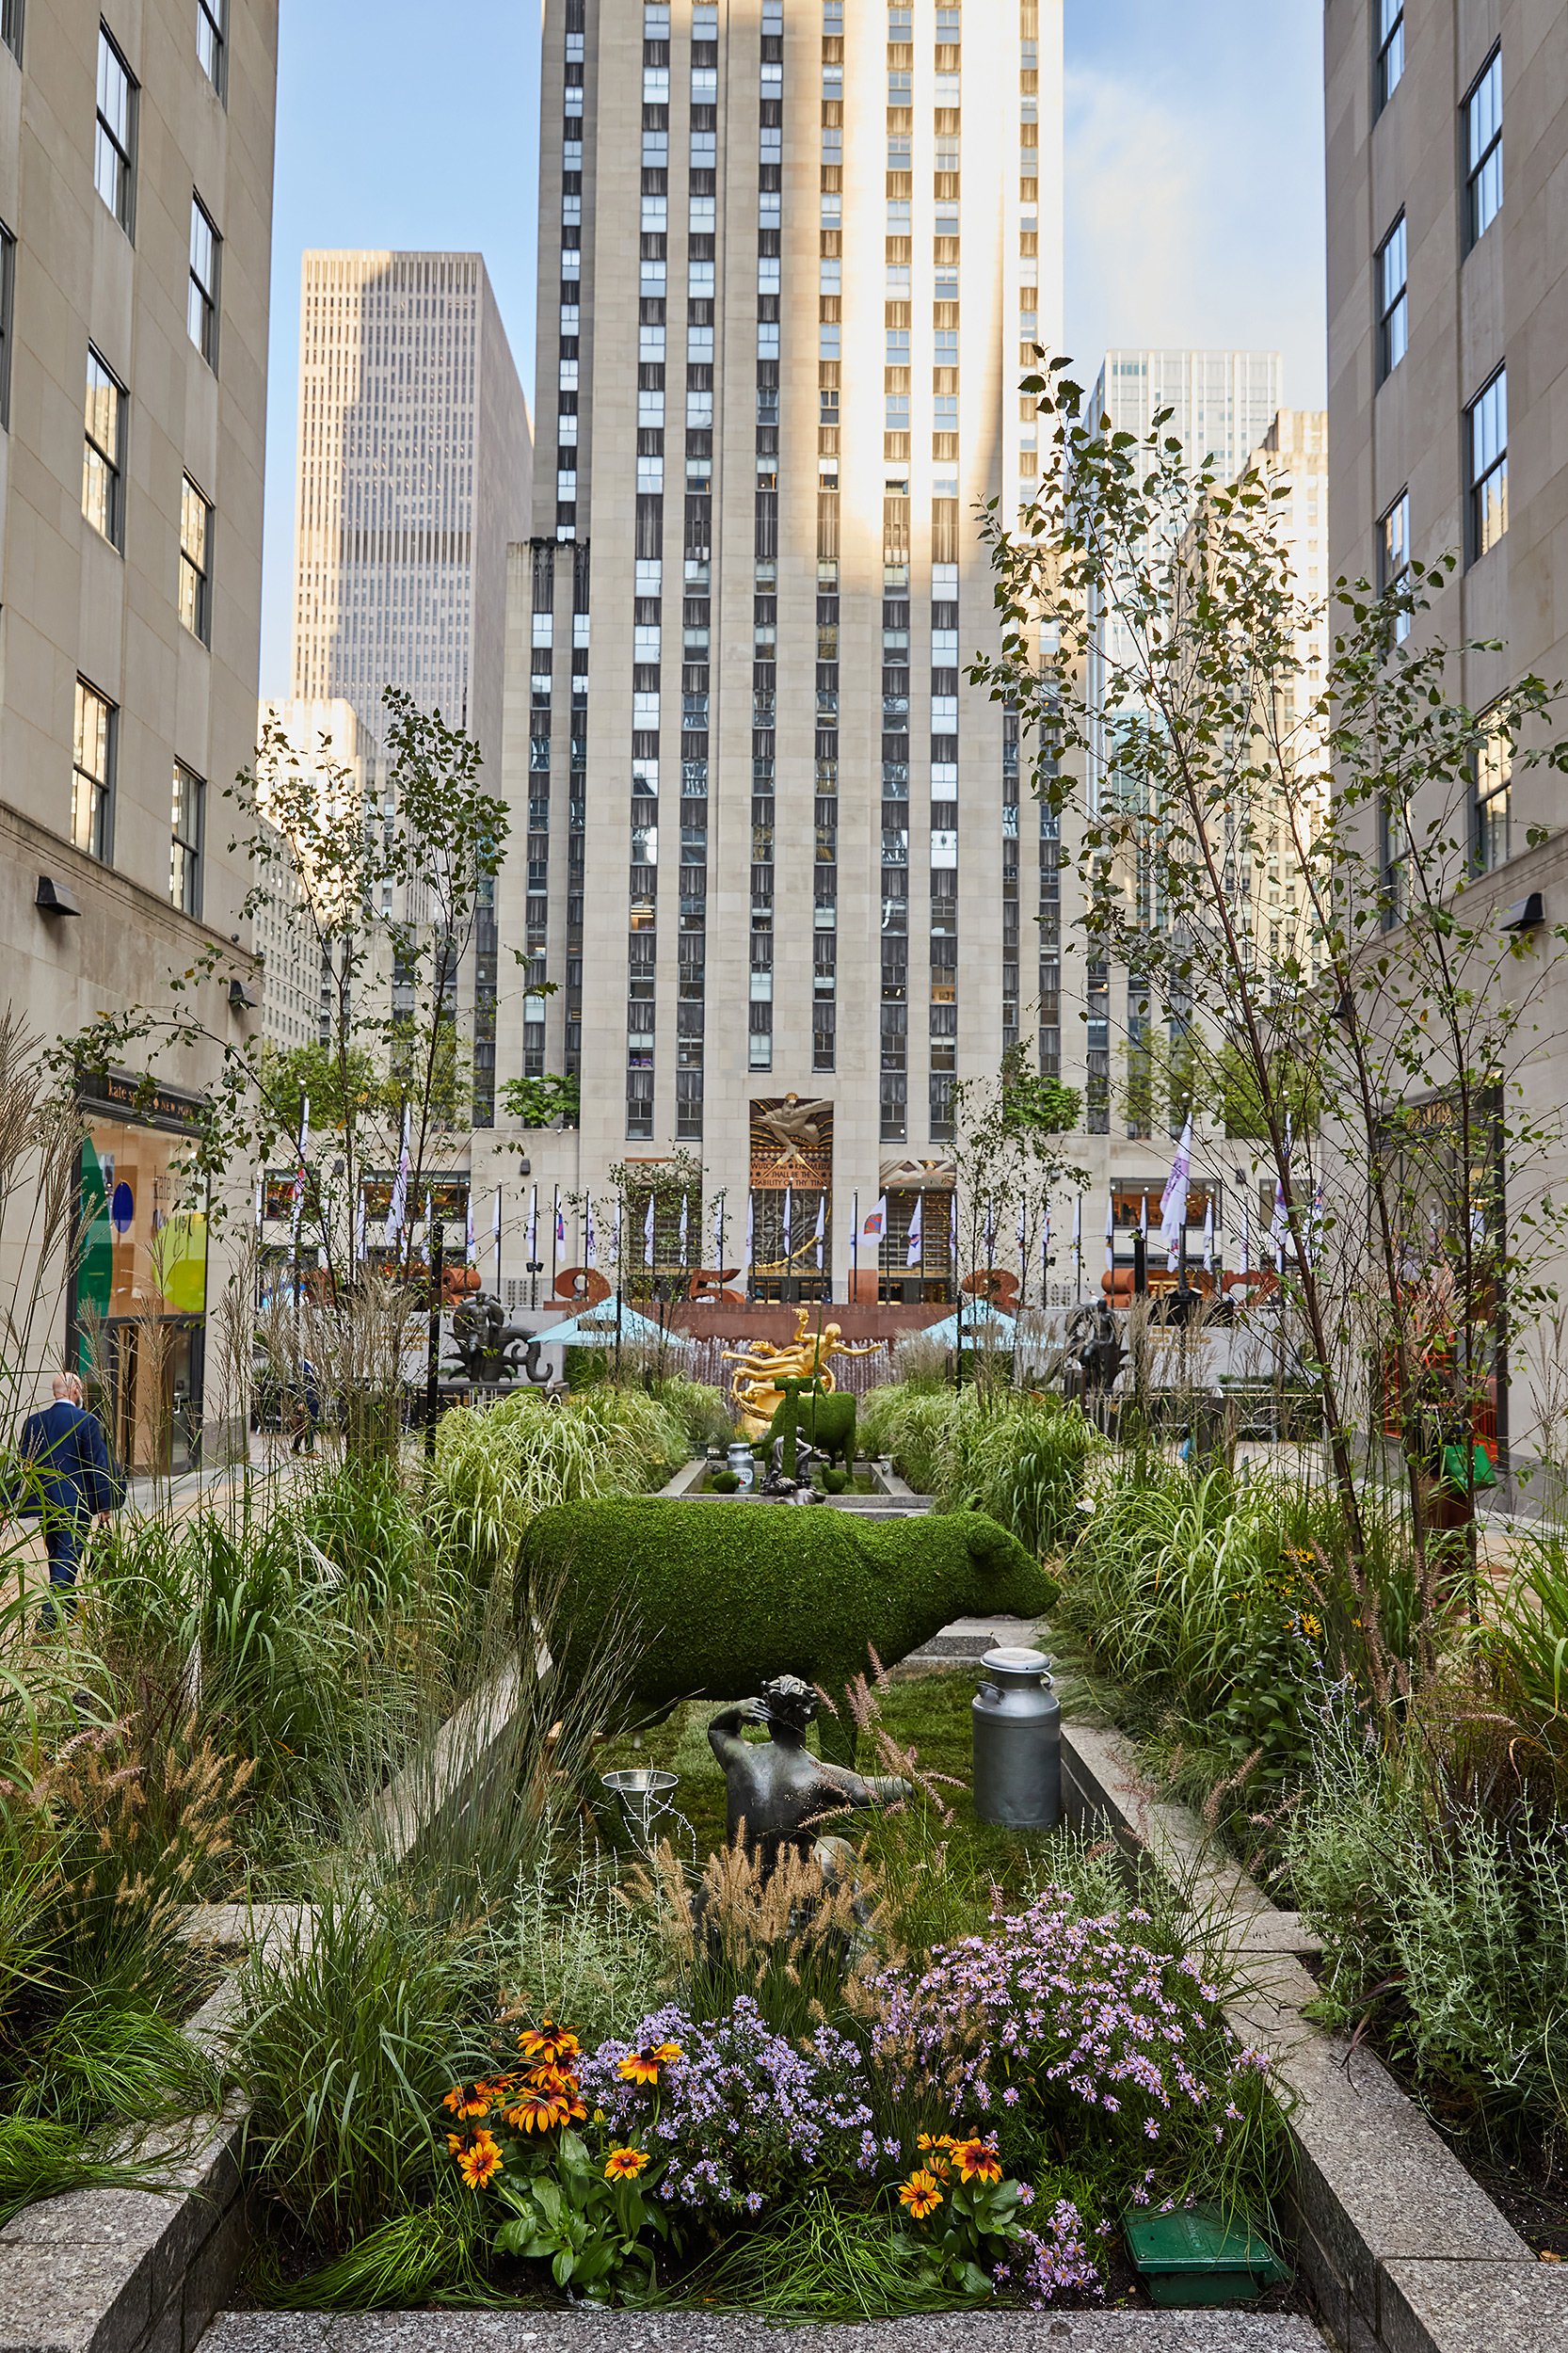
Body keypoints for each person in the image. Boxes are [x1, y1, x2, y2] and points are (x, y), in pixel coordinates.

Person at [14, 1373, 123, 1625]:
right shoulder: (86, 1421)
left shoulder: (33, 1422)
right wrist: (105, 1505)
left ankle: (70, 1603)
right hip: (76, 1504)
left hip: (45, 1503)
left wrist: (6, 1501)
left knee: (57, 1555)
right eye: (80, 1388)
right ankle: (49, 1619)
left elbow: (21, 1464)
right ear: (74, 1390)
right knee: (66, 1556)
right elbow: (97, 1465)